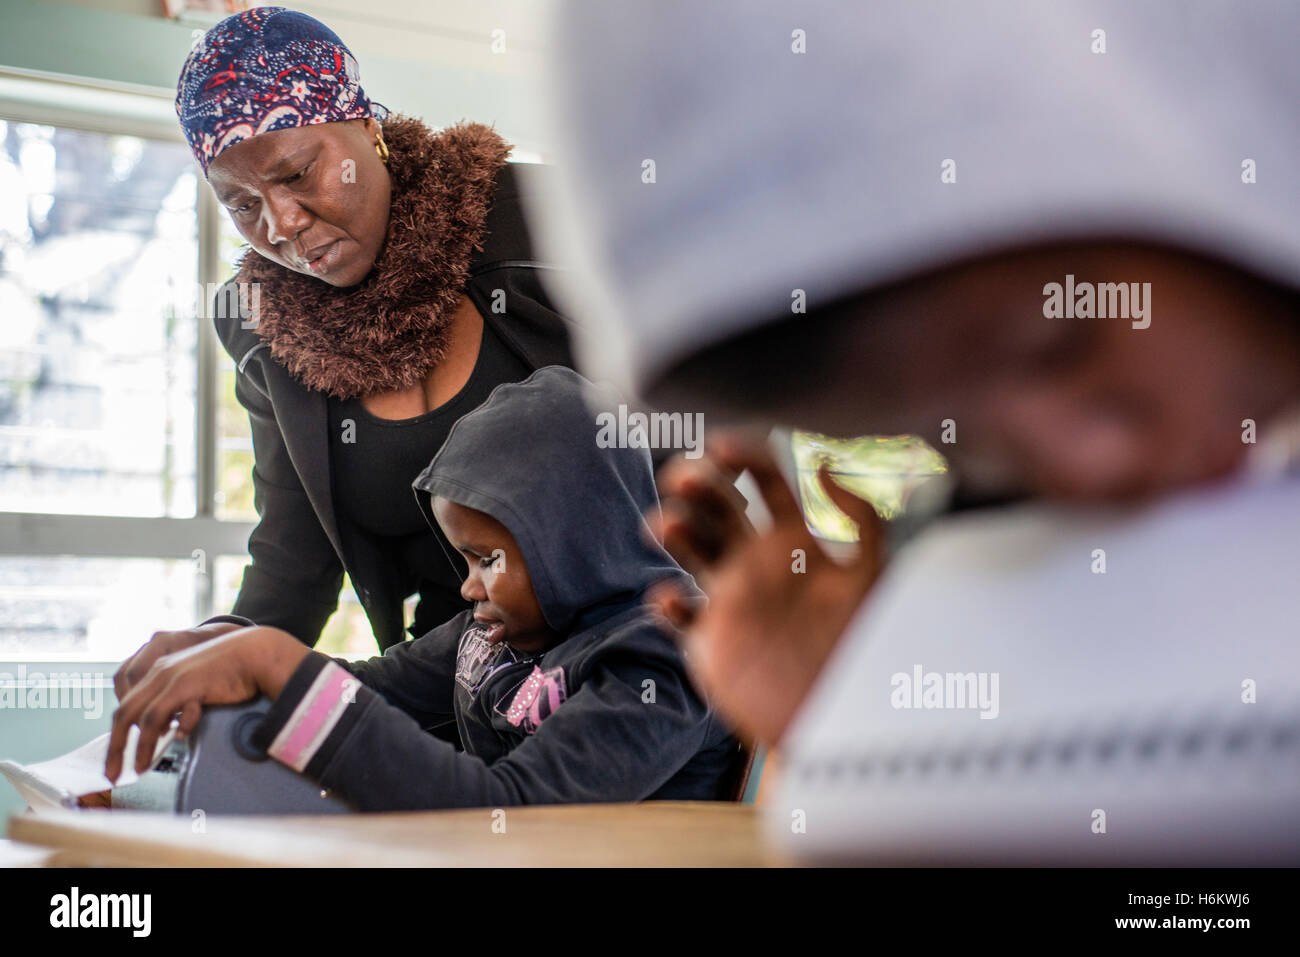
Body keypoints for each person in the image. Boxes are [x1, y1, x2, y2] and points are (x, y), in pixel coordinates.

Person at [526, 0, 1300, 855]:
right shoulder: (993, 542)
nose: (1083, 471)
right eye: (956, 446)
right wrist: (859, 719)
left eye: (1058, 345)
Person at [118, 6, 578, 695]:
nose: (282, 226)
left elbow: (669, 478)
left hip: (627, 661)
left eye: (298, 174)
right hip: (456, 693)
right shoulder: (265, 334)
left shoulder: (545, 223)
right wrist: (215, 646)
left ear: (368, 127)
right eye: (241, 204)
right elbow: (293, 563)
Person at [106, 367, 741, 809]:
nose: (467, 586)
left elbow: (508, 811)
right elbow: (378, 689)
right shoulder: (499, 632)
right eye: (464, 558)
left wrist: (275, 662)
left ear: (577, 536)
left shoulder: (665, 659)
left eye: (488, 557)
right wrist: (235, 644)